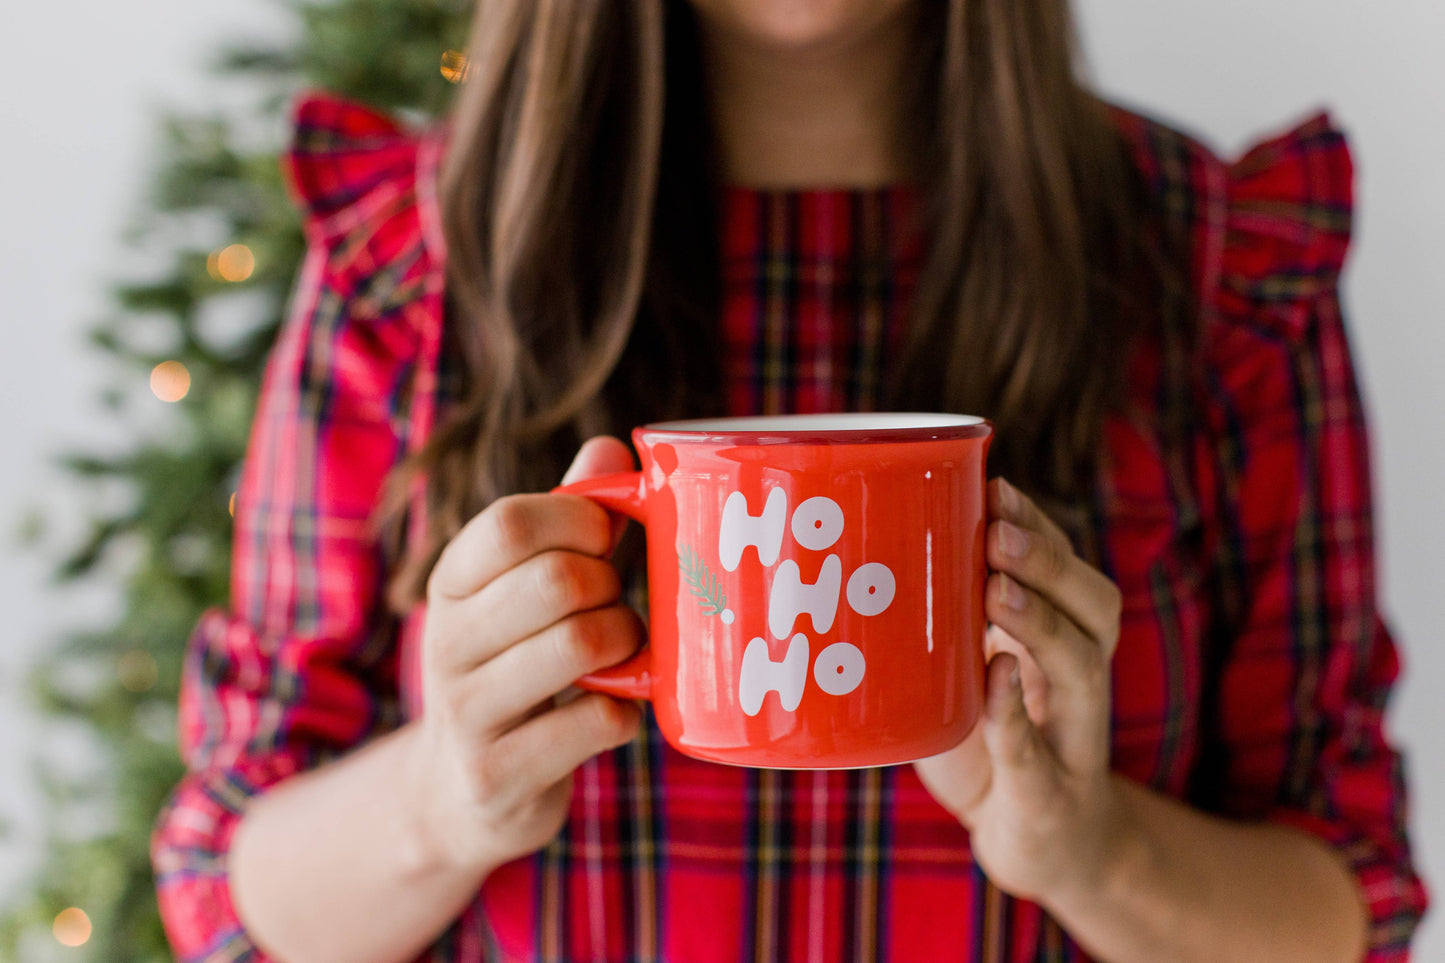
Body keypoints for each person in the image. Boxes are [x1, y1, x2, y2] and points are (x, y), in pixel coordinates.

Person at [150, 1, 1429, 961]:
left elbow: (1349, 897)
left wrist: (1090, 852)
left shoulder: (1213, 273)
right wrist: (445, 798)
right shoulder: (414, 267)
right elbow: (221, 880)